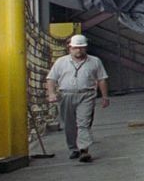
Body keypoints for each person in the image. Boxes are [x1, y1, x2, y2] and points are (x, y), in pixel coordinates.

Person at [46, 34, 110, 162]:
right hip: (66, 95)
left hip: (86, 95)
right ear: (70, 48)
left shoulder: (95, 61)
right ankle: (73, 148)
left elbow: (101, 79)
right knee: (69, 124)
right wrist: (51, 93)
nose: (78, 50)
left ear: (85, 48)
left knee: (84, 123)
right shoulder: (61, 62)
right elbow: (51, 78)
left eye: (81, 48)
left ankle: (83, 150)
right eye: (75, 48)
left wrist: (105, 96)